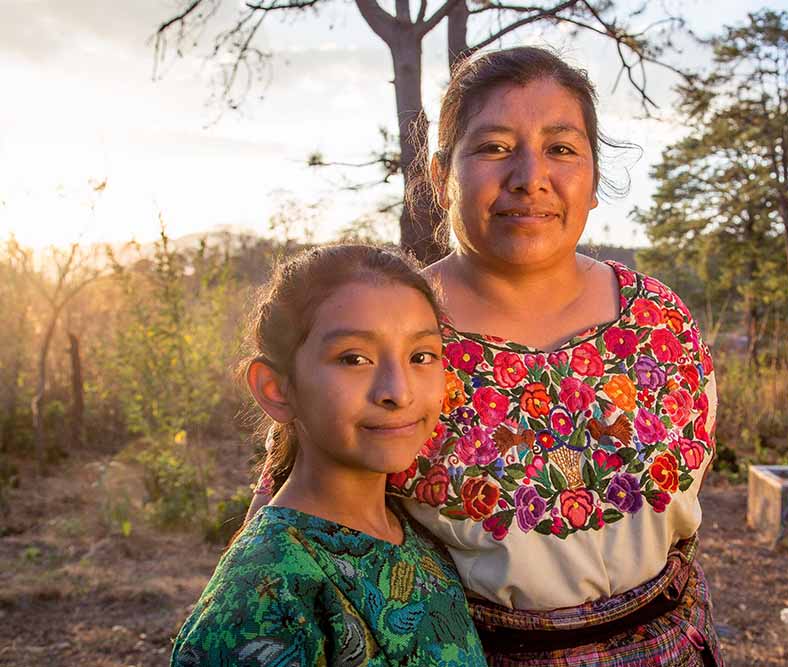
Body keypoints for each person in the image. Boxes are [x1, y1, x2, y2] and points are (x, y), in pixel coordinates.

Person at [253, 46, 723, 666]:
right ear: (440, 170)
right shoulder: (393, 335)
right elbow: (295, 532)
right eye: (495, 147)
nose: (530, 177)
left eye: (561, 148)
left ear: (593, 177)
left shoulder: (657, 316)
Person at [171, 245, 487, 667]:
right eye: (354, 358)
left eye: (421, 356)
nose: (399, 391)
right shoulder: (266, 594)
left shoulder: (421, 536)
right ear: (276, 389)